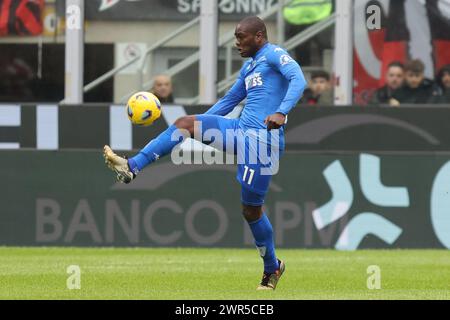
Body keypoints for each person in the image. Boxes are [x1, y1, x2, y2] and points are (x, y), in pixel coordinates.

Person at [103, 16, 306, 290]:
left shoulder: (274, 54)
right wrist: (196, 129)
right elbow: (229, 101)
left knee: (251, 210)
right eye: (235, 37)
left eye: (240, 37)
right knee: (184, 123)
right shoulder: (249, 68)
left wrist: (282, 111)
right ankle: (132, 166)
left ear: (259, 36)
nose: (236, 43)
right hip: (239, 131)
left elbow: (298, 79)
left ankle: (272, 267)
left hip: (263, 141)